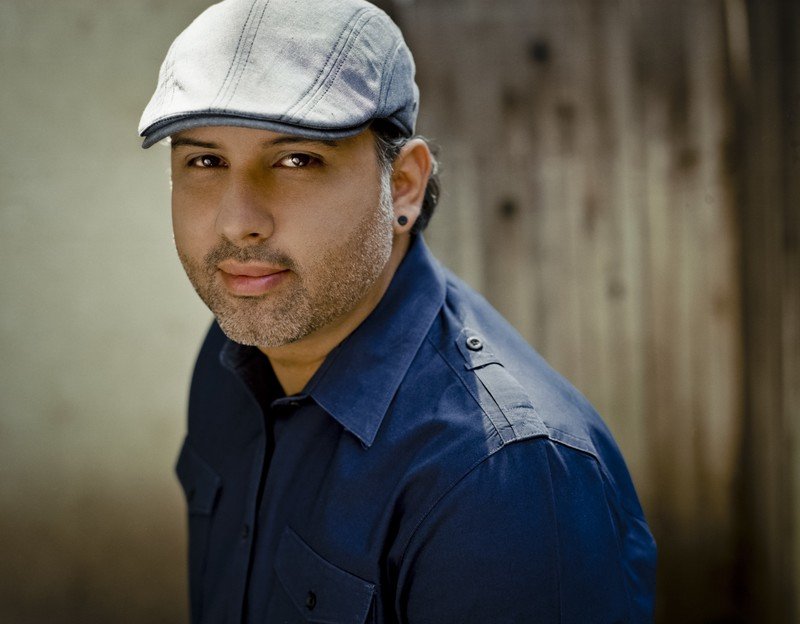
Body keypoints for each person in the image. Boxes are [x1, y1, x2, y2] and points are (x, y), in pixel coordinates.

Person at [139, 0, 657, 621]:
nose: (237, 222)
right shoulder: (233, 352)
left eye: (297, 159)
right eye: (205, 161)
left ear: (403, 184)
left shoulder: (502, 477)